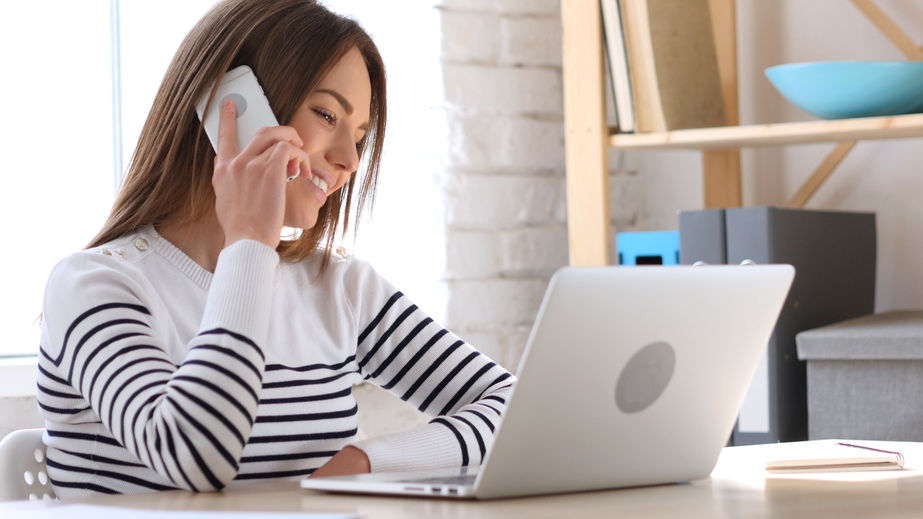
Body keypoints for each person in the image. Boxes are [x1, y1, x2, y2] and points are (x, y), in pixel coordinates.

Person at [37, 0, 513, 497]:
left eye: (360, 137)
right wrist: (249, 242)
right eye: (327, 114)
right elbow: (193, 456)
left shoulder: (340, 288)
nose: (348, 160)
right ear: (231, 105)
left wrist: (369, 462)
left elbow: (515, 406)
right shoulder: (93, 286)